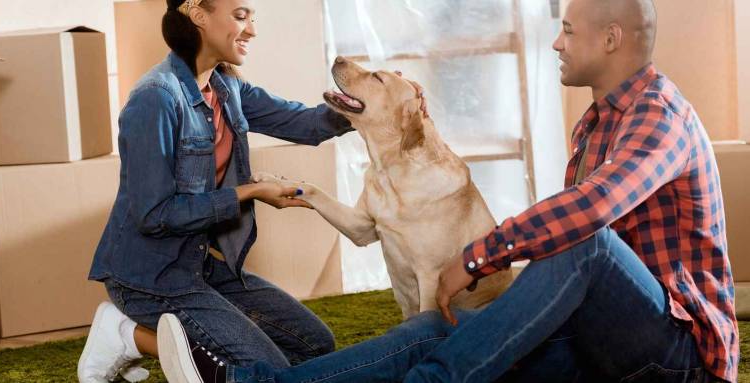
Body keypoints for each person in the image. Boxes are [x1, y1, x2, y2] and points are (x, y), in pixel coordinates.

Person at [156, 0, 739, 382]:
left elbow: (593, 213)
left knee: (589, 241)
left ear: (612, 39)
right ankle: (244, 382)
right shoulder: (593, 124)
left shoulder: (660, 117)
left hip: (676, 357)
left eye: (566, 30)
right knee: (438, 328)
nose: (556, 43)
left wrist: (478, 256)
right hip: (601, 344)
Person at [76, 0, 355, 381]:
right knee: (268, 371)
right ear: (199, 16)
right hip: (147, 279)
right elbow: (154, 214)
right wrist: (248, 193)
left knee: (314, 344)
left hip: (196, 266)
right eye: (241, 16)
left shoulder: (227, 88)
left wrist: (373, 104)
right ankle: (129, 335)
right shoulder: (154, 99)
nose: (252, 30)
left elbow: (305, 124)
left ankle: (131, 335)